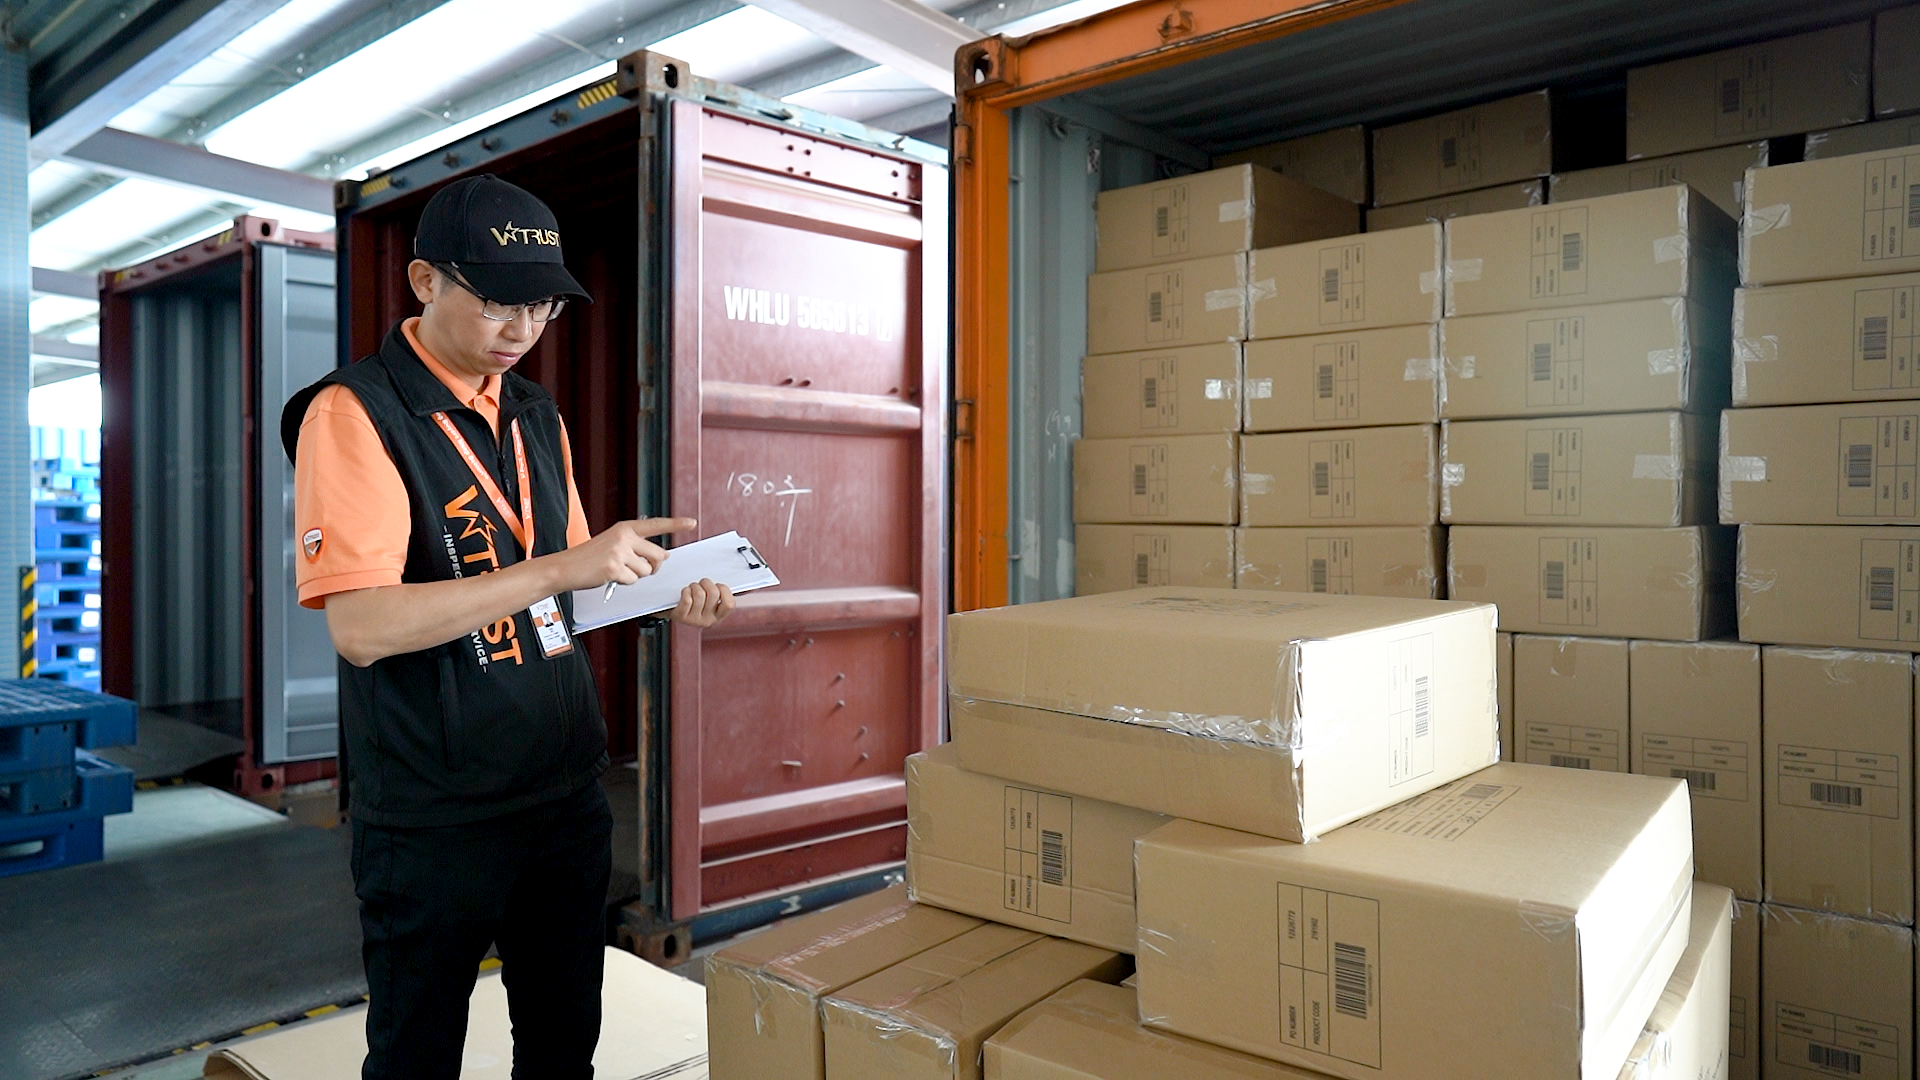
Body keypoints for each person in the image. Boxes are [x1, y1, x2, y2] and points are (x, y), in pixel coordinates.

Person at [281, 173, 733, 1079]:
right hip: (436, 813)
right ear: (424, 281)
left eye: (542, 307)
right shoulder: (354, 413)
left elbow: (571, 594)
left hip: (561, 791)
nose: (522, 328)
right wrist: (563, 567)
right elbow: (362, 627)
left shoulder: (533, 410)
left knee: (562, 1046)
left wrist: (664, 596)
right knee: (416, 1053)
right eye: (498, 302)